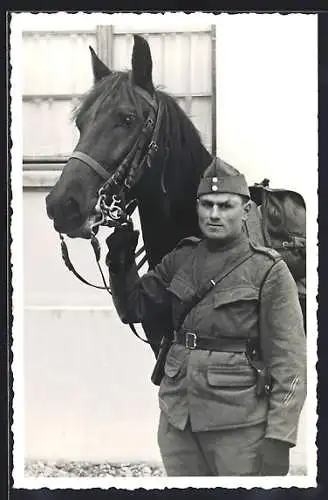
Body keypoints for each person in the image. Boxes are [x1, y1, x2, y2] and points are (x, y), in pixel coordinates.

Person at [105, 157, 306, 477]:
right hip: (178, 422)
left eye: (225, 206)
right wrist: (120, 259)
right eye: (206, 204)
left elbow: (289, 361)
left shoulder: (268, 270)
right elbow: (133, 309)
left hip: (238, 429)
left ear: (245, 211)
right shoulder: (181, 258)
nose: (214, 214)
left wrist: (280, 437)